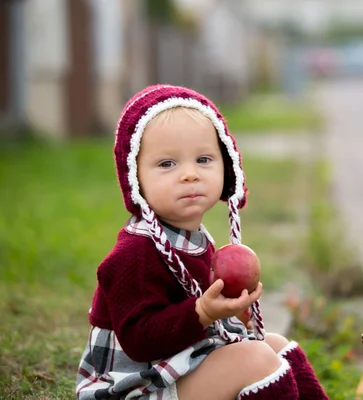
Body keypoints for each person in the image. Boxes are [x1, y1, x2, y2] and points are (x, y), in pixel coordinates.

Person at [75, 84, 329, 400]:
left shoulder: (191, 237)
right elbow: (139, 340)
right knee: (255, 358)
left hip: (180, 361)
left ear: (227, 166)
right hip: (139, 384)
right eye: (167, 164)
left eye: (204, 159)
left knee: (275, 345)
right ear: (135, 178)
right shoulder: (134, 253)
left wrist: (231, 313)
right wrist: (203, 313)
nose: (189, 175)